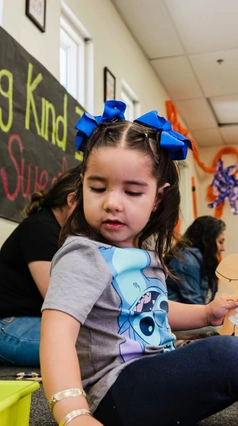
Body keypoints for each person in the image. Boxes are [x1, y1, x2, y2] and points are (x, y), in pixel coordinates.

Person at [40, 100, 238, 426]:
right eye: (98, 187)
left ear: (157, 197)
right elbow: (56, 335)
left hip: (151, 373)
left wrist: (205, 313)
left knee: (220, 346)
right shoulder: (83, 254)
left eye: (132, 192)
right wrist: (74, 415)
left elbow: (154, 308)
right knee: (227, 354)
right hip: (114, 392)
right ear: (82, 186)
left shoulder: (143, 253)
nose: (112, 203)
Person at [0, 166, 79, 366]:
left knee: (108, 343)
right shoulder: (41, 229)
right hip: (7, 328)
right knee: (99, 346)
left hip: (28, 323)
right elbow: (59, 300)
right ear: (72, 200)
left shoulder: (62, 233)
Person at [167, 215, 226, 304]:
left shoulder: (204, 261)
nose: (223, 248)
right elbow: (194, 302)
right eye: (220, 242)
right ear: (208, 241)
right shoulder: (186, 259)